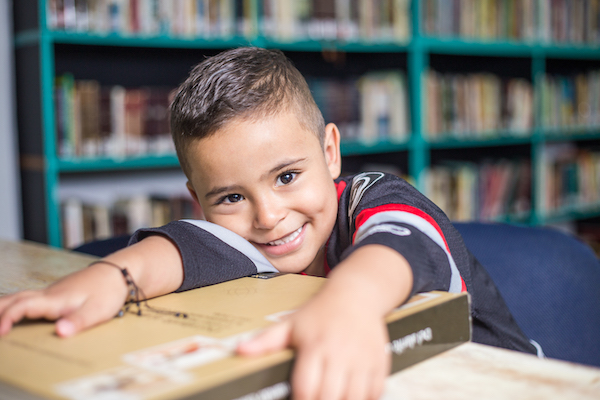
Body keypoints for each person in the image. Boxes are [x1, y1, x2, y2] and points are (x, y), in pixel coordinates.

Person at [0, 47, 537, 400]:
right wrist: (114, 277)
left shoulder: (373, 197)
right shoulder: (247, 240)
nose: (268, 216)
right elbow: (187, 248)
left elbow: (400, 244)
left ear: (330, 152)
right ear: (199, 200)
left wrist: (347, 304)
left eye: (286, 176)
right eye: (232, 196)